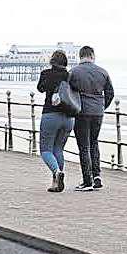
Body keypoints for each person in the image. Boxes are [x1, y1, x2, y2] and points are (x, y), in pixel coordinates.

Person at [68, 45, 116, 191]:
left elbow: (67, 92)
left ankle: (87, 181)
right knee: (94, 143)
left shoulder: (74, 72)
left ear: (80, 56)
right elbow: (110, 93)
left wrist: (72, 108)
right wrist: (102, 106)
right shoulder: (103, 72)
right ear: (92, 56)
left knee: (84, 146)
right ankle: (97, 176)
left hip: (81, 112)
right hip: (97, 113)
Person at [35, 49, 74, 193]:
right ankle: (56, 183)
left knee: (46, 150)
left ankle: (57, 173)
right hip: (69, 117)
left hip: (51, 115)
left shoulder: (46, 73)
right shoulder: (69, 76)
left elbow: (40, 88)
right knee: (58, 149)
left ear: (52, 61)